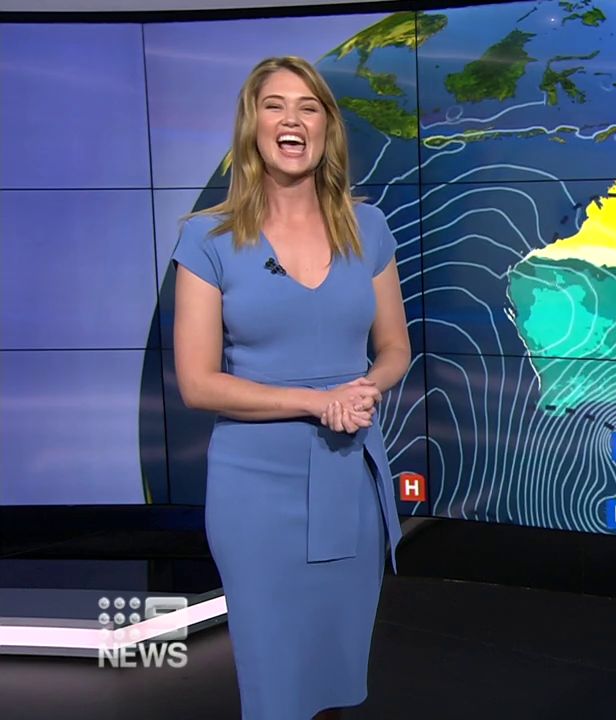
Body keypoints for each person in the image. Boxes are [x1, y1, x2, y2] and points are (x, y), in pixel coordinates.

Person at [170, 55, 410, 720]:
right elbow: (197, 384)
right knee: (274, 682)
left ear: (327, 127)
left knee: (336, 679)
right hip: (255, 490)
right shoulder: (207, 239)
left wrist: (364, 389)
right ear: (253, 126)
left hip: (347, 477)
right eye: (274, 106)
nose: (291, 120)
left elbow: (395, 349)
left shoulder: (368, 228)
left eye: (308, 107)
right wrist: (315, 401)